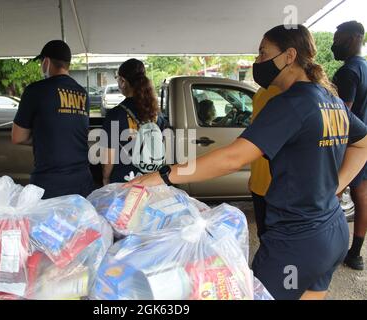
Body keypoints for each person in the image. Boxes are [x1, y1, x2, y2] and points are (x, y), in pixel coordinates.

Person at [126, 25, 367, 300]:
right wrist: (337, 184)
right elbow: (362, 143)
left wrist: (165, 175)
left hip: (296, 242)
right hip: (332, 232)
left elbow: (233, 158)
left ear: (289, 55)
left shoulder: (289, 103)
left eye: (264, 53)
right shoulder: (330, 100)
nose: (257, 62)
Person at [12, 40, 94, 199]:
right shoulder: (83, 94)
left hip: (49, 183)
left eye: (42, 62)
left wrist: (42, 136)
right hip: (82, 180)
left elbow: (17, 137)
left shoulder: (35, 91)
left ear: (47, 62)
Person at [332, 21, 367, 271]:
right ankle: (355, 253)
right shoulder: (364, 67)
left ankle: (328, 251)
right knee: (362, 196)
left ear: (355, 37)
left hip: (350, 147)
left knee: (331, 197)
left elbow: (342, 116)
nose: (335, 43)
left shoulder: (348, 72)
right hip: (364, 143)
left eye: (339, 38)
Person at [101, 59, 167, 185]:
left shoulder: (116, 114)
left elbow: (109, 156)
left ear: (123, 81)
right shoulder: (156, 113)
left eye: (117, 78)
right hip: (151, 180)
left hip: (124, 181)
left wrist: (105, 178)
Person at [249, 85, 282, 239]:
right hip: (264, 182)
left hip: (274, 183)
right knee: (268, 234)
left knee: (271, 235)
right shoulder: (263, 91)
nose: (258, 60)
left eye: (261, 57)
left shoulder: (289, 94)